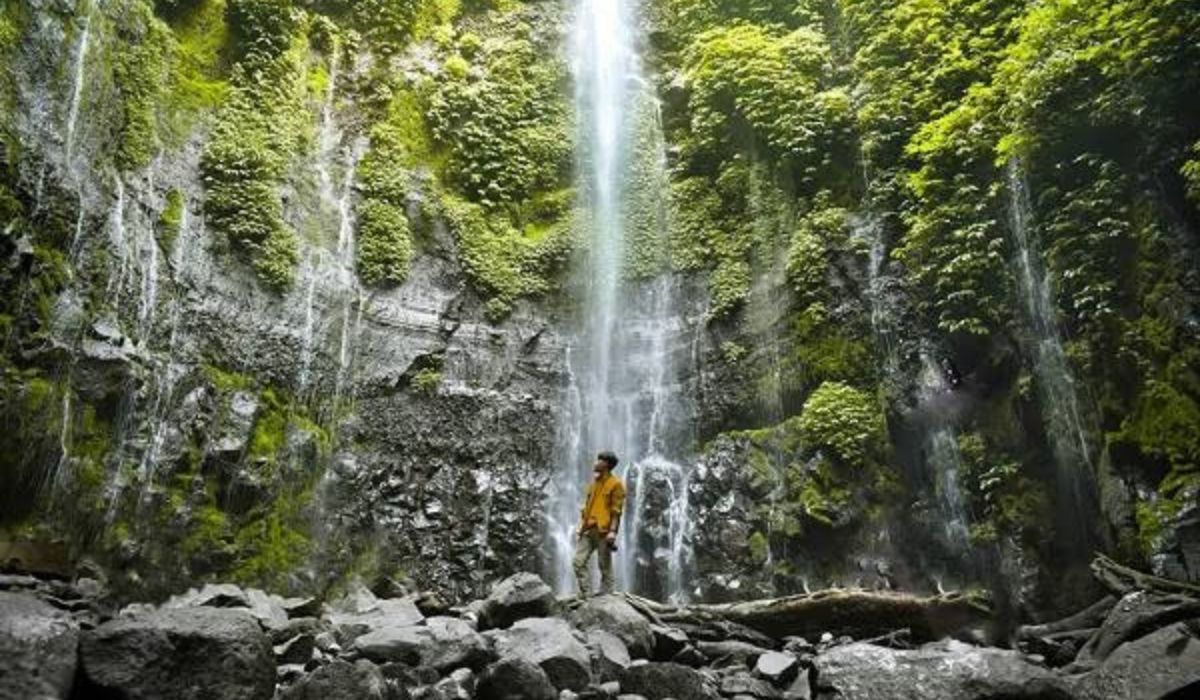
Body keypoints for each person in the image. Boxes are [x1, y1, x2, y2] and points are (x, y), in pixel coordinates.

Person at [573, 450, 626, 596]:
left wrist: (613, 532)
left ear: (607, 464)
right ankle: (587, 595)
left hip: (603, 530)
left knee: (604, 566)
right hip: (588, 529)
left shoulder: (616, 484)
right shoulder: (594, 484)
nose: (595, 463)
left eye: (599, 460)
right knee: (578, 562)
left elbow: (616, 511)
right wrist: (581, 526)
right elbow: (588, 506)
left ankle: (607, 596)